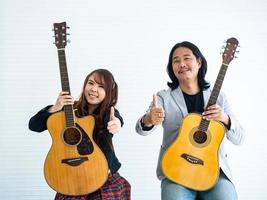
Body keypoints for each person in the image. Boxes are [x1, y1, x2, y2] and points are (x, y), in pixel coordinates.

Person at [135, 41, 244, 200]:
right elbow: (140, 129)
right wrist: (149, 119)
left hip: (214, 171)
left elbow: (240, 138)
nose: (182, 64)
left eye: (187, 58)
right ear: (172, 67)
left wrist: (225, 119)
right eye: (176, 60)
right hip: (176, 169)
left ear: (199, 62)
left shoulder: (219, 97)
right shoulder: (164, 97)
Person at [29, 68, 131, 200]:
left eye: (101, 86)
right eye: (91, 83)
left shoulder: (108, 112)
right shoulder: (67, 110)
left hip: (102, 174)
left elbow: (115, 119)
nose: (94, 89)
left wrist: (116, 122)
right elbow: (34, 126)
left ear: (109, 92)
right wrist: (55, 107)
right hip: (71, 175)